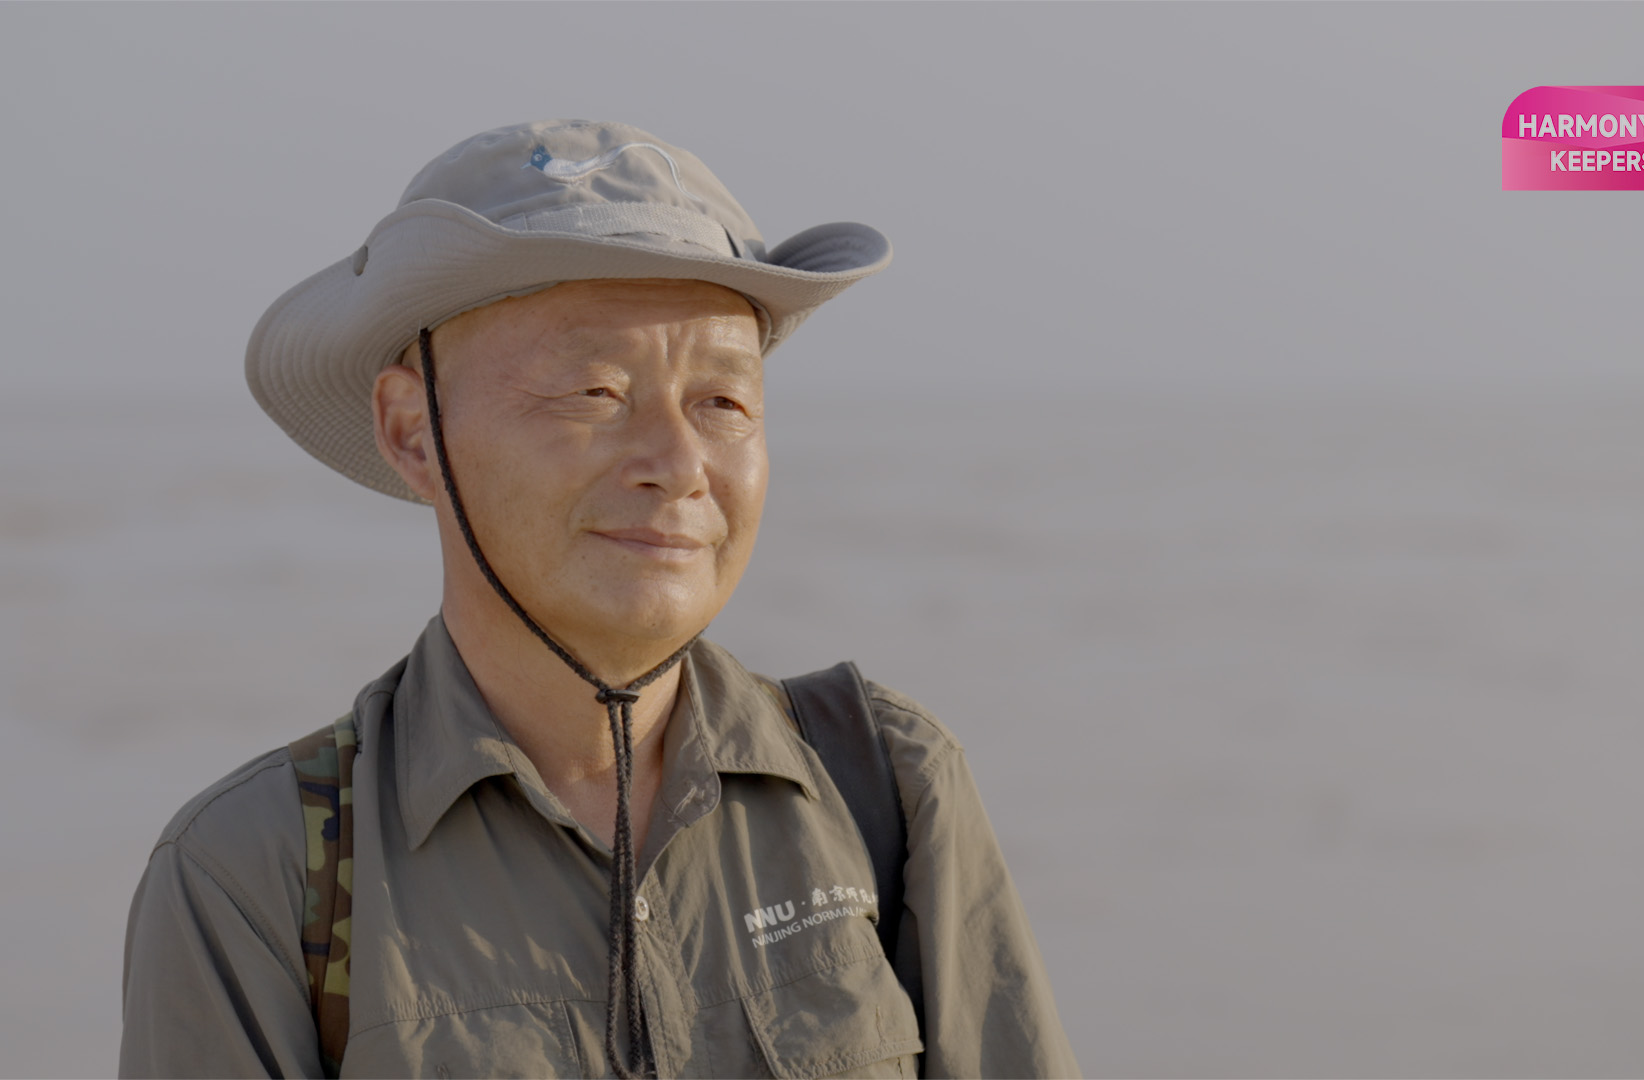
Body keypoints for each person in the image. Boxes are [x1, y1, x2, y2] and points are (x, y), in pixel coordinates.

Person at [119, 118, 1077, 1079]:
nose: (676, 466)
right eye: (594, 392)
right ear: (414, 432)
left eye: (724, 402)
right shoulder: (261, 876)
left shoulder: (888, 788)